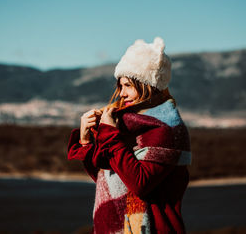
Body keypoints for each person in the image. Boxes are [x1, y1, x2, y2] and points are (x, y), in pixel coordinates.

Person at [67, 37, 192, 234]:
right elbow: (104, 178)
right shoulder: (126, 127)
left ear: (149, 86)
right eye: (120, 86)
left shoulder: (168, 130)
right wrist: (85, 140)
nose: (121, 94)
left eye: (128, 85)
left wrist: (110, 135)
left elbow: (139, 184)